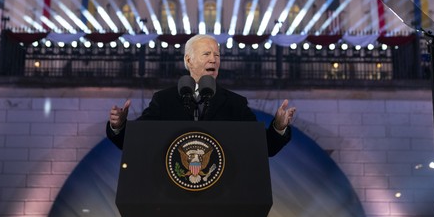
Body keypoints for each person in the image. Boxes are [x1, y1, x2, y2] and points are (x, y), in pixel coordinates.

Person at [106, 34, 295, 156]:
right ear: (189, 60)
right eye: (206, 54)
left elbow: (263, 148)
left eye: (217, 55)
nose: (214, 59)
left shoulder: (235, 104)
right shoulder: (164, 100)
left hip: (223, 201)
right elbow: (135, 142)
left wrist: (278, 127)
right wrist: (119, 127)